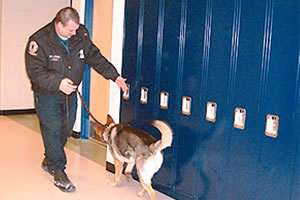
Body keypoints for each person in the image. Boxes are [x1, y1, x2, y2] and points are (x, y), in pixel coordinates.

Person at [25, 7, 128, 192]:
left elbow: (95, 56)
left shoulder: (80, 34)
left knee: (65, 130)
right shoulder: (39, 41)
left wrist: (114, 76)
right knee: (52, 129)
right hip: (47, 95)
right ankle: (58, 170)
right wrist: (58, 82)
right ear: (58, 24)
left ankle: (50, 158)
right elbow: (35, 73)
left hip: (70, 94)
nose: (74, 33)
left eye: (76, 29)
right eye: (70, 30)